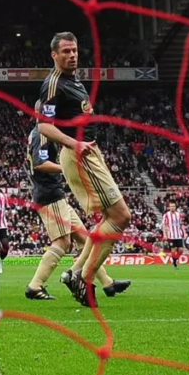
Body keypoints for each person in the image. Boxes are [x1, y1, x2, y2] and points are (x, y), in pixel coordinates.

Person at [37, 32, 131, 307]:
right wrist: (73, 144)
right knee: (121, 216)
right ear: (54, 55)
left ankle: (76, 272)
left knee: (110, 217)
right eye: (66, 51)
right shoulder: (53, 84)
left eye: (74, 50)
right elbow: (43, 126)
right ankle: (84, 277)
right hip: (79, 154)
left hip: (89, 151)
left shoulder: (73, 80)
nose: (72, 55)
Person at [25, 119, 131, 303]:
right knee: (62, 242)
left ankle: (107, 283)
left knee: (85, 238)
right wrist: (66, 169)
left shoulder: (41, 134)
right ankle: (35, 286)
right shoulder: (42, 134)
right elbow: (39, 163)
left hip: (55, 194)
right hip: (49, 195)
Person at [162, 202, 185, 269]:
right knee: (173, 250)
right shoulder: (166, 215)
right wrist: (165, 234)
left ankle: (175, 260)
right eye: (171, 206)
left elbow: (181, 225)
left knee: (181, 250)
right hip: (171, 236)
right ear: (169, 207)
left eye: (173, 206)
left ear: (175, 207)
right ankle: (174, 263)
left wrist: (183, 232)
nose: (172, 207)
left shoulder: (178, 215)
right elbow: (164, 225)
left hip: (178, 235)